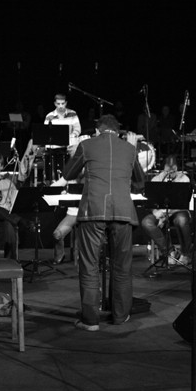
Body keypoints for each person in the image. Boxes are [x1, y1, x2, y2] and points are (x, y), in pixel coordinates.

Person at [55, 114, 145, 331]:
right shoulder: (129, 149)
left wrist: (78, 153)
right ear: (117, 131)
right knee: (122, 266)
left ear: (98, 130)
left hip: (93, 209)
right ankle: (120, 316)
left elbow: (68, 173)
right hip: (123, 211)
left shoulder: (87, 145)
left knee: (90, 266)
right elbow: (140, 183)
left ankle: (91, 321)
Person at [141, 155, 192, 266]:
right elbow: (151, 202)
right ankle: (169, 251)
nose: (171, 169)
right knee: (146, 222)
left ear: (177, 167)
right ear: (164, 167)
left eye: (174, 166)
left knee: (182, 220)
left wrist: (164, 216)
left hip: (177, 211)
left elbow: (182, 203)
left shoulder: (184, 179)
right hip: (160, 213)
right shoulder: (156, 179)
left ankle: (186, 254)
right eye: (168, 166)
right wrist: (156, 213)